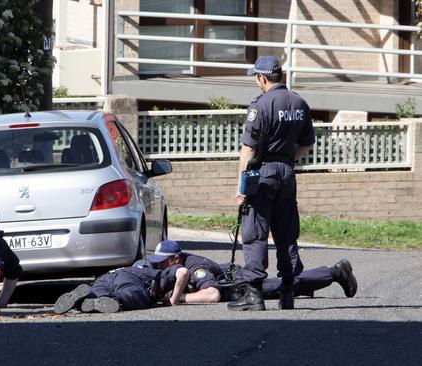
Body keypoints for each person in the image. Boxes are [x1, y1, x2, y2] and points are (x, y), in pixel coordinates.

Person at [231, 56, 316, 311]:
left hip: (262, 171)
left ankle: (254, 295)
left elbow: (249, 149)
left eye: (256, 77)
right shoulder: (299, 102)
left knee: (255, 231)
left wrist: (241, 186)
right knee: (286, 231)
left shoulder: (261, 105)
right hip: (287, 172)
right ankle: (287, 293)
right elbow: (308, 144)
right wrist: (288, 159)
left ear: (262, 78)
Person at [148, 241, 357, 304]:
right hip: (238, 279)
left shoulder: (195, 268)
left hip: (242, 284)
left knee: (287, 284)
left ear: (175, 259)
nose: (159, 268)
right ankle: (327, 275)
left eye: (161, 263)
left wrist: (182, 297)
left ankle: (335, 273)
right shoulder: (183, 260)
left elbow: (212, 294)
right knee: (288, 286)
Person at [53, 254, 188, 314]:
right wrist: (174, 300)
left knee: (97, 291)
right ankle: (114, 300)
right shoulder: (153, 273)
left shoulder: (125, 268)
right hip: (134, 280)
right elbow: (182, 272)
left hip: (107, 277)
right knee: (130, 294)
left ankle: (82, 300)